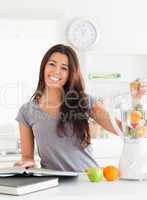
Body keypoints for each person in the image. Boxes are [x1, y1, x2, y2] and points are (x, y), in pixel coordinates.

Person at [14, 44, 146, 172]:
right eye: (52, 64)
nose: (56, 71)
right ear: (44, 67)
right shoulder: (26, 112)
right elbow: (27, 158)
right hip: (53, 183)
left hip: (87, 179)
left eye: (64, 68)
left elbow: (125, 130)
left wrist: (136, 100)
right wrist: (27, 163)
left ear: (71, 74)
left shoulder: (84, 102)